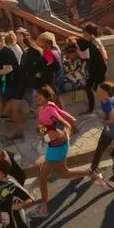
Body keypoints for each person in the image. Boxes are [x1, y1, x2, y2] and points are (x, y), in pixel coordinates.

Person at [31, 85, 78, 217]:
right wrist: (41, 131)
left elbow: (65, 124)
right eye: (36, 96)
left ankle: (44, 208)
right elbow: (44, 127)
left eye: (38, 96)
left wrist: (58, 134)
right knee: (64, 173)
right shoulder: (45, 107)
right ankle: (89, 173)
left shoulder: (50, 110)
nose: (36, 98)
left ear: (46, 97)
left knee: (43, 178)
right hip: (56, 146)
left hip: (57, 147)